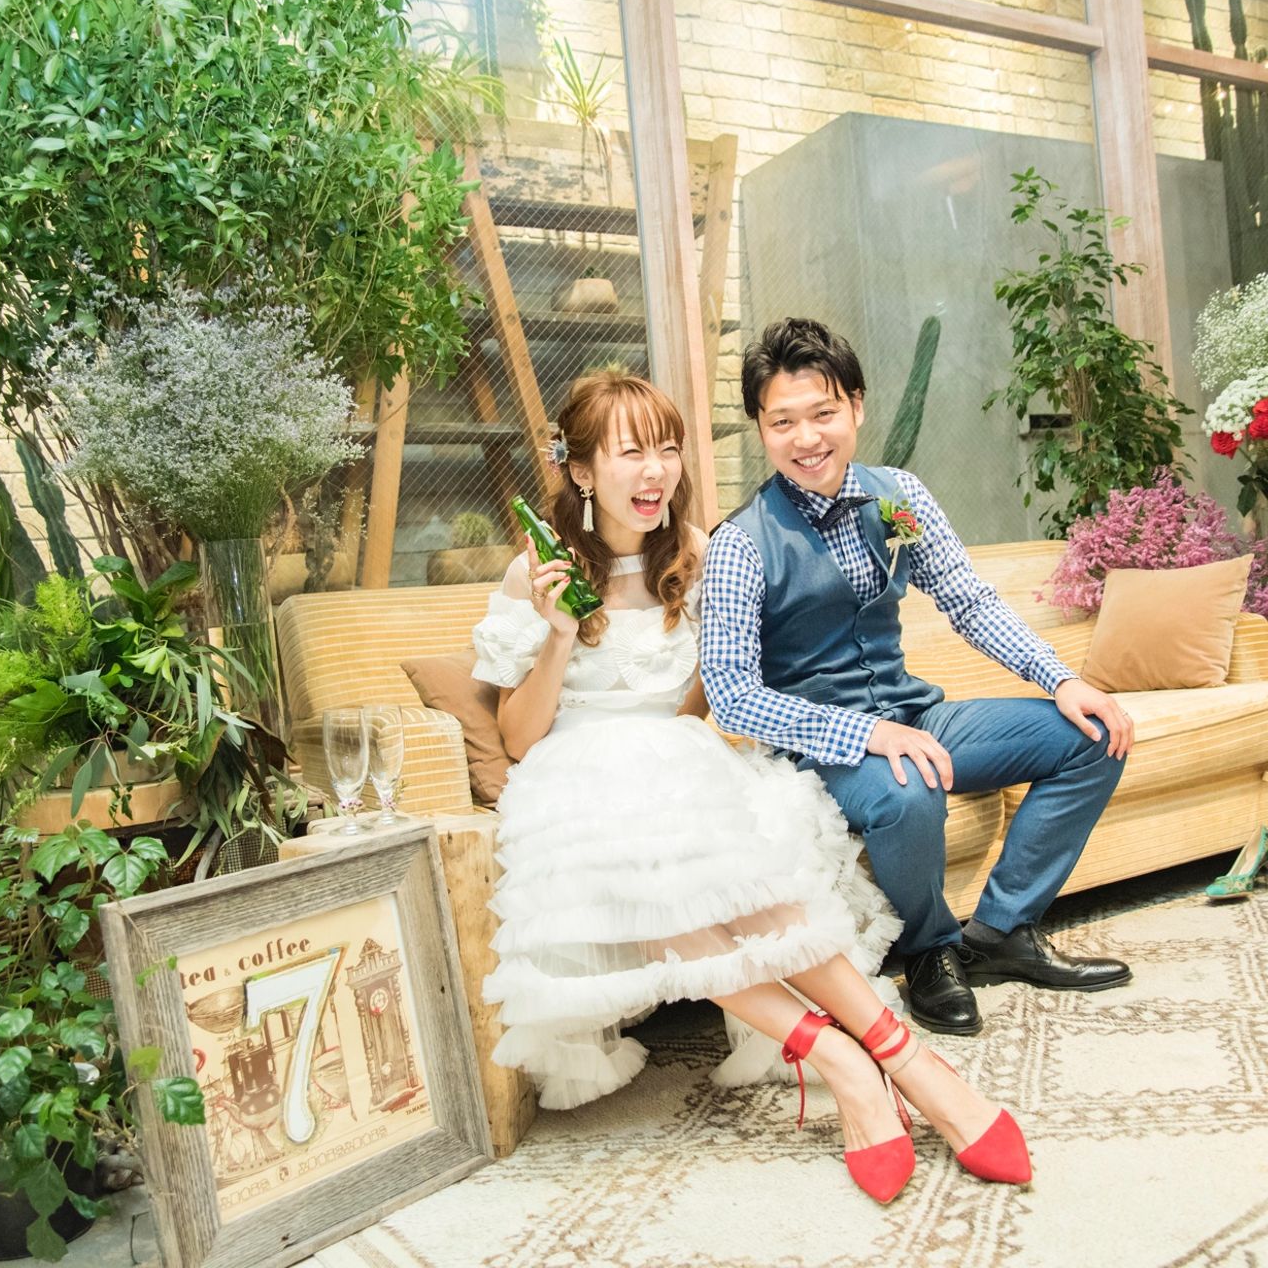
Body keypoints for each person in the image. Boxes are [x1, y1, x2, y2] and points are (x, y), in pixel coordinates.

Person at [472, 370, 1031, 1203]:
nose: (656, 471)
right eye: (631, 453)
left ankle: (905, 1058)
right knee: (651, 880)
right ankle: (843, 1058)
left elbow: (709, 701)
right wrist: (558, 634)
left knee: (754, 880)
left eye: (668, 449)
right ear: (582, 470)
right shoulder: (537, 573)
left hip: (679, 754)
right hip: (574, 775)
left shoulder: (702, 554)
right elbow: (518, 738)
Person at [701, 318, 1135, 1039]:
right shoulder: (741, 544)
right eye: (782, 422)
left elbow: (967, 601)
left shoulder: (895, 498)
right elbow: (732, 696)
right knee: (909, 789)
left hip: (914, 714)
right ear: (761, 428)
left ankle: (1002, 930)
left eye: (823, 413)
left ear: (857, 407)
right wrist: (866, 734)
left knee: (1093, 735)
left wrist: (1061, 679)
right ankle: (931, 951)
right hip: (822, 750)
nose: (806, 438)